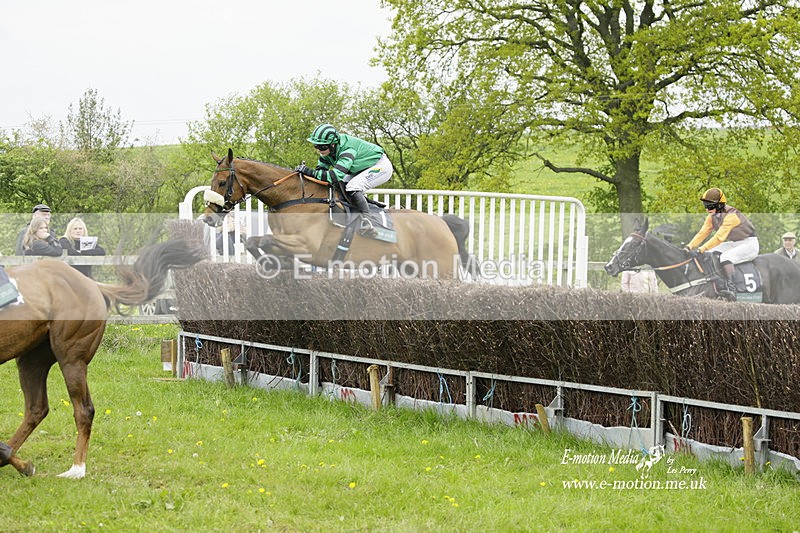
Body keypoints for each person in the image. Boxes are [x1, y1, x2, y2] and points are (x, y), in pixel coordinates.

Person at [294, 124, 393, 235]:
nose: (319, 150)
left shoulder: (347, 150)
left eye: (322, 147)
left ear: (333, 145)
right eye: (316, 146)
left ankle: (368, 221)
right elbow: (321, 173)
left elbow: (334, 176)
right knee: (341, 185)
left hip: (380, 166)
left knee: (353, 186)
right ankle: (365, 208)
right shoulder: (328, 151)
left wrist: (309, 171)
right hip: (361, 167)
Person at [683, 188, 758, 301]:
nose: (707, 209)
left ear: (719, 205)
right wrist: (689, 246)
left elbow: (719, 238)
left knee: (725, 257)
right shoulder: (711, 217)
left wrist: (701, 249)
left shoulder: (731, 216)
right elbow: (702, 233)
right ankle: (716, 282)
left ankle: (732, 290)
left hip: (750, 244)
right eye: (705, 205)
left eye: (710, 206)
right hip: (734, 243)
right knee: (709, 253)